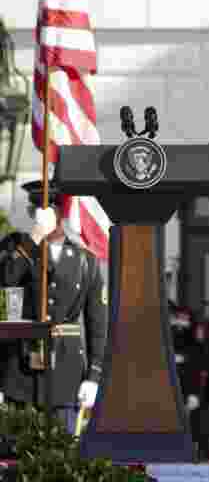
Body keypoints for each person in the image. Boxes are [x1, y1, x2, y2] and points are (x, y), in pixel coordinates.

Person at [0, 180, 107, 434]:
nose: (46, 214)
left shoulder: (86, 260)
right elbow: (6, 280)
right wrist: (35, 235)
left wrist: (94, 376)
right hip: (19, 370)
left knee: (61, 451)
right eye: (39, 208)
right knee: (15, 452)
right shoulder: (16, 247)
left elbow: (97, 325)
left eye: (54, 208)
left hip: (66, 373)